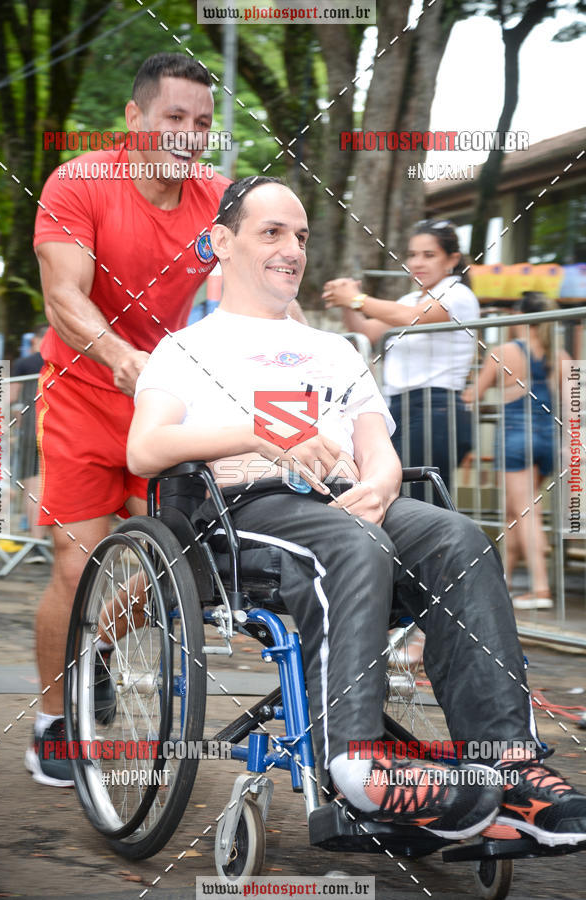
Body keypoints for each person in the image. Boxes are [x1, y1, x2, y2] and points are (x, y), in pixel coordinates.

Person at [128, 176, 586, 846]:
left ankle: (506, 764)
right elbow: (145, 448)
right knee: (352, 544)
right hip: (244, 511)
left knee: (459, 538)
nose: (292, 249)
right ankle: (357, 764)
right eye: (272, 232)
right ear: (222, 242)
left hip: (346, 502)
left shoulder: (336, 350)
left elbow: (381, 450)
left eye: (302, 237)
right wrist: (260, 433)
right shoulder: (188, 347)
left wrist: (378, 483)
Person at [26, 53, 306, 789]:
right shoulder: (78, 182)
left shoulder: (217, 199)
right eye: (174, 118)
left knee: (180, 557)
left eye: (203, 123)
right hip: (84, 389)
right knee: (76, 563)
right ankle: (57, 718)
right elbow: (64, 296)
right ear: (135, 120)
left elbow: (262, 286)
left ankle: (96, 653)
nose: (188, 134)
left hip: (169, 399)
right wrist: (123, 358)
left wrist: (305, 360)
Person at [322, 220, 479, 502]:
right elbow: (368, 332)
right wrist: (347, 302)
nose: (417, 262)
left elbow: (412, 318)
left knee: (420, 499)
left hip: (437, 407)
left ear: (453, 259)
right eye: (412, 254)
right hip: (401, 408)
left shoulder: (458, 294)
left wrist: (356, 298)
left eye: (429, 255)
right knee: (402, 495)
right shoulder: (409, 298)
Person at [462, 293, 570, 610]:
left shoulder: (503, 352)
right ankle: (504, 583)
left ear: (519, 316)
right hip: (548, 439)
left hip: (515, 439)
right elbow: (573, 404)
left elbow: (474, 397)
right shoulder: (561, 354)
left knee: (526, 512)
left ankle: (540, 589)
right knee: (516, 513)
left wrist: (470, 393)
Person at [11, 326, 47, 541]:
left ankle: (35, 540)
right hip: (56, 427)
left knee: (32, 485)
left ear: (34, 340)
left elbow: (12, 396)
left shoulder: (25, 363)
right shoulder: (63, 360)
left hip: (31, 428)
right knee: (50, 484)